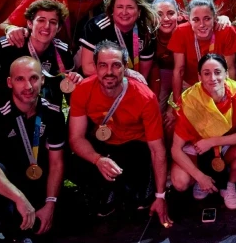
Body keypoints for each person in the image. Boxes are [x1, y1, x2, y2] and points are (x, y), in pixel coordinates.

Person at [0, 57, 66, 243]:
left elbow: (57, 163)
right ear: (9, 82)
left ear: (42, 80)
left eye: (33, 78)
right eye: (20, 79)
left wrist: (50, 204)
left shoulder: (53, 114)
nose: (28, 86)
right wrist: (19, 199)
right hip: (11, 188)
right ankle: (17, 235)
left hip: (40, 182)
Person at [68, 40, 170, 225]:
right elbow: (76, 138)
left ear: (125, 67)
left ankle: (126, 187)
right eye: (103, 65)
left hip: (135, 148)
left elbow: (157, 149)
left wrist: (161, 196)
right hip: (103, 146)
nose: (109, 72)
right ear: (95, 67)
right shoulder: (82, 90)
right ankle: (109, 188)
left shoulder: (145, 97)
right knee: (75, 168)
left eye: (116, 65)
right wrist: (98, 160)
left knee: (141, 203)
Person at [170, 54, 236, 210]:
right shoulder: (190, 100)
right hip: (197, 148)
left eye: (217, 72)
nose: (213, 78)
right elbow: (176, 149)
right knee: (179, 182)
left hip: (223, 144)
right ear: (199, 77)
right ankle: (203, 180)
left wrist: (212, 142)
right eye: (206, 73)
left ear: (226, 73)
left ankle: (229, 184)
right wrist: (199, 177)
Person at [0, 0, 82, 103]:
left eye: (53, 22)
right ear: (30, 23)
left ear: (58, 28)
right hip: (5, 110)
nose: (46, 26)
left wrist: (76, 82)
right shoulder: (9, 44)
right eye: (41, 20)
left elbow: (70, 94)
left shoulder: (62, 51)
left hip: (45, 113)